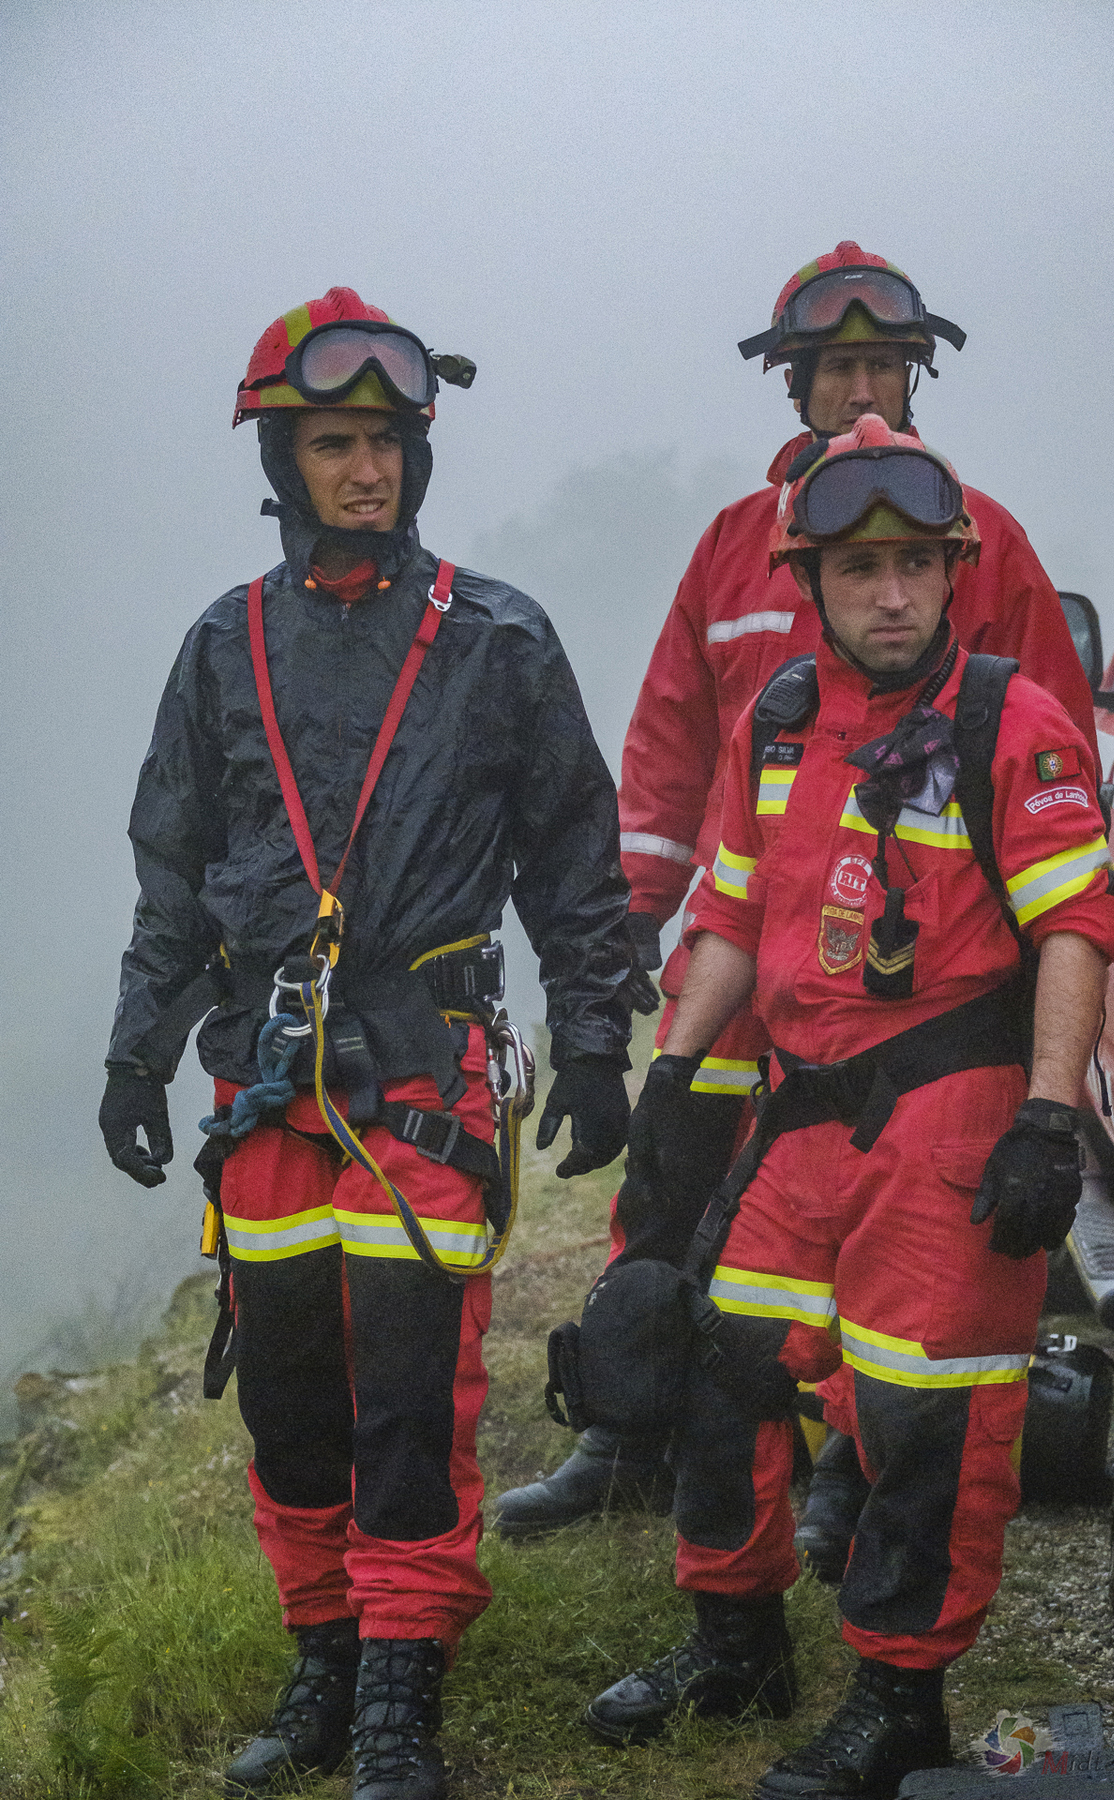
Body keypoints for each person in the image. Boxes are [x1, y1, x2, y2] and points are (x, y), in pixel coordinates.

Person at [98, 287, 634, 1800]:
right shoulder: (224, 648)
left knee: (409, 1393)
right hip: (265, 1080)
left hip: (423, 1071)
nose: (367, 471)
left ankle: (402, 1690)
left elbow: (574, 859)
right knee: (288, 1395)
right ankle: (323, 1658)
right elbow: (174, 872)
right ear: (284, 459)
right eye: (335, 443)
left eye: (388, 442)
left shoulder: (498, 639)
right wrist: (138, 1054)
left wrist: (596, 1039)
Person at [494, 240, 1099, 1541]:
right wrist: (630, 937)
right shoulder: (731, 548)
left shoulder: (980, 539)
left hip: (908, 987)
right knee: (672, 1190)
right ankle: (629, 1433)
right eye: (837, 369)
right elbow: (668, 747)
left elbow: (1053, 759)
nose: (862, 390)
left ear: (915, 378)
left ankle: (845, 1471)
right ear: (794, 384)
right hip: (742, 954)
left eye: (883, 365)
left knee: (889, 1240)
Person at [582, 415, 1114, 1799]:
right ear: (810, 583)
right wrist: (672, 1077)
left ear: (953, 574)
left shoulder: (1010, 721)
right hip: (802, 1114)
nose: (893, 595)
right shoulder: (778, 721)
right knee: (722, 1361)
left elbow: (1075, 928)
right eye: (861, 569)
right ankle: (736, 1643)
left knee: (929, 1415)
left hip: (953, 1120)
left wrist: (1049, 1119)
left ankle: (900, 1702)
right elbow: (731, 910)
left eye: (918, 566)